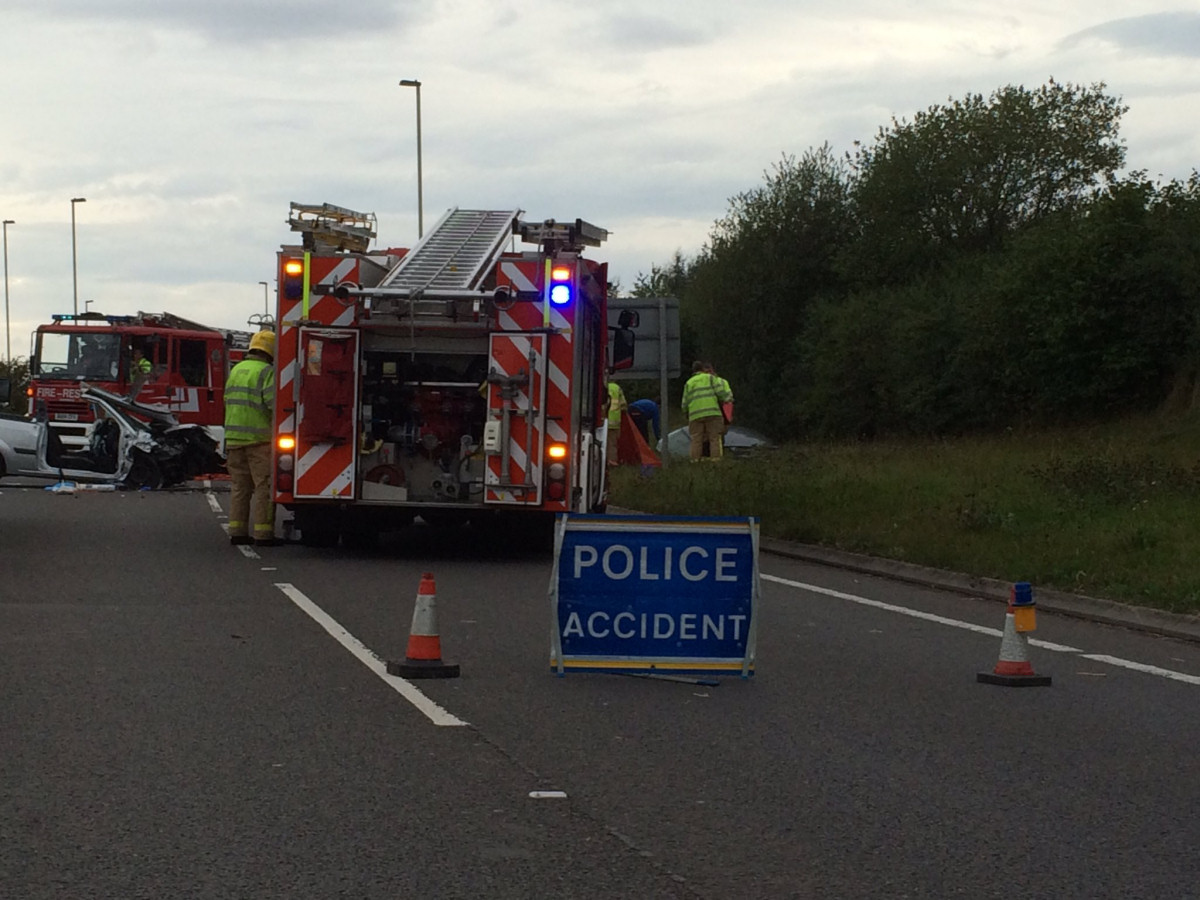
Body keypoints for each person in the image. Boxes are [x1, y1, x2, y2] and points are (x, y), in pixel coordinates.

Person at [225, 329, 277, 546]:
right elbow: (274, 404)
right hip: (259, 441)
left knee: (240, 487)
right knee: (264, 487)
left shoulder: (236, 370)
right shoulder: (266, 372)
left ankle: (237, 532)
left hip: (234, 439)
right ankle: (262, 535)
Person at [682, 360, 732, 462]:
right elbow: (721, 392)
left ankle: (695, 461)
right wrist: (727, 400)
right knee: (714, 438)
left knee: (696, 439)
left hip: (695, 415)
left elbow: (685, 402)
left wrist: (686, 412)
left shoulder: (689, 383)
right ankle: (715, 461)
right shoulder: (710, 378)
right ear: (702, 369)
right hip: (712, 412)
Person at [603, 369, 627, 468]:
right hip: (615, 421)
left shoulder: (602, 386)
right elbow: (623, 405)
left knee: (603, 442)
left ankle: (604, 461)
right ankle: (612, 461)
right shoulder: (617, 388)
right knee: (612, 443)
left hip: (602, 419)